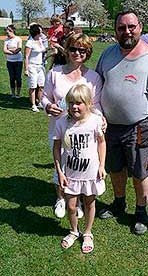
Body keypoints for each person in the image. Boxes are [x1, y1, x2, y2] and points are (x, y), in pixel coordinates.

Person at [96, 10, 148, 235]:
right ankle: (118, 203)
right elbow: (97, 84)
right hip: (110, 126)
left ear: (140, 28)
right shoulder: (107, 54)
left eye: (131, 26)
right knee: (115, 168)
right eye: (122, 27)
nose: (127, 31)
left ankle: (141, 211)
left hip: (139, 127)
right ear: (115, 31)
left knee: (140, 173)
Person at [42, 33, 103, 220]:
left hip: (84, 132)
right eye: (73, 49)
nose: (77, 53)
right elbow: (44, 96)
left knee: (80, 165)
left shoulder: (93, 77)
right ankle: (61, 198)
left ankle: (76, 201)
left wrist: (101, 118)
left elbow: (97, 104)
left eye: (82, 50)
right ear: (66, 50)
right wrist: (47, 105)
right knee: (60, 163)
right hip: (60, 128)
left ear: (88, 52)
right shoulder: (55, 73)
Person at [53, 84, 106, 252]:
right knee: (71, 205)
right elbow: (56, 147)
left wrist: (102, 165)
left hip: (91, 173)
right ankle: (74, 231)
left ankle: (88, 232)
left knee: (90, 203)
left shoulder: (95, 121)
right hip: (70, 174)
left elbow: (102, 142)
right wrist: (59, 171)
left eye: (79, 103)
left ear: (89, 103)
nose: (74, 106)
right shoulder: (62, 122)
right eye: (71, 103)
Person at [24, 24, 47, 112]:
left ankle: (40, 102)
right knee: (33, 86)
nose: (42, 32)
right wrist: (26, 69)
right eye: (40, 31)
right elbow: (26, 56)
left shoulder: (40, 40)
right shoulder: (30, 42)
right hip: (32, 66)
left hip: (40, 66)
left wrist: (49, 48)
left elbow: (42, 50)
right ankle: (33, 104)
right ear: (36, 32)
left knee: (41, 85)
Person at [3, 24, 23, 98]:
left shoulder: (18, 39)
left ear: (12, 31)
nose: (7, 34)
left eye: (7, 32)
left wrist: (10, 50)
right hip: (10, 62)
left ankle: (18, 94)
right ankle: (13, 94)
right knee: (12, 77)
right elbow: (4, 51)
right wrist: (13, 50)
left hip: (18, 61)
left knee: (18, 77)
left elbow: (19, 49)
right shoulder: (6, 40)